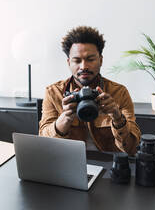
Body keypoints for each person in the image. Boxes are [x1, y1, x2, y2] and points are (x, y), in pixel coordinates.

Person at [39, 26, 141, 155]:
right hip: (69, 162)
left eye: (90, 59)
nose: (84, 66)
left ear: (101, 60)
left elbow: (131, 148)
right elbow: (44, 144)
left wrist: (117, 116)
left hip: (110, 165)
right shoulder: (54, 93)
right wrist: (65, 118)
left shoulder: (118, 93)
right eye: (77, 60)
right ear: (69, 62)